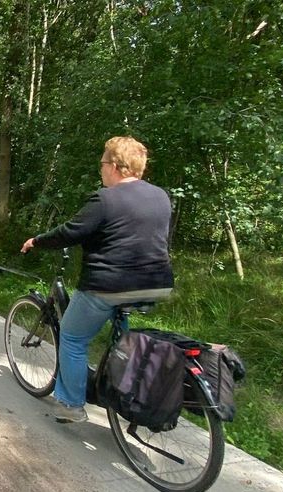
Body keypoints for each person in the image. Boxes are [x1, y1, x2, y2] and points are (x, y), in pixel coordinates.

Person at [20, 136, 174, 423]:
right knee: (121, 341)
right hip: (156, 283)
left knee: (72, 336)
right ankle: (119, 383)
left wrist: (37, 241)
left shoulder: (105, 199)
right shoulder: (161, 196)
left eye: (102, 163)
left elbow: (70, 232)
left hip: (109, 285)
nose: (100, 169)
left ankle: (71, 404)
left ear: (116, 166)